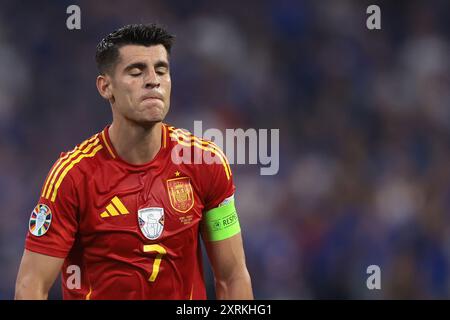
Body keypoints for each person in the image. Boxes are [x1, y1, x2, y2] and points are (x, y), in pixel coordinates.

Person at [15, 24, 253, 300]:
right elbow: (31, 287)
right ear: (106, 87)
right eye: (136, 71)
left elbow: (233, 276)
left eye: (161, 70)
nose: (153, 81)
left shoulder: (205, 162)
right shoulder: (73, 176)